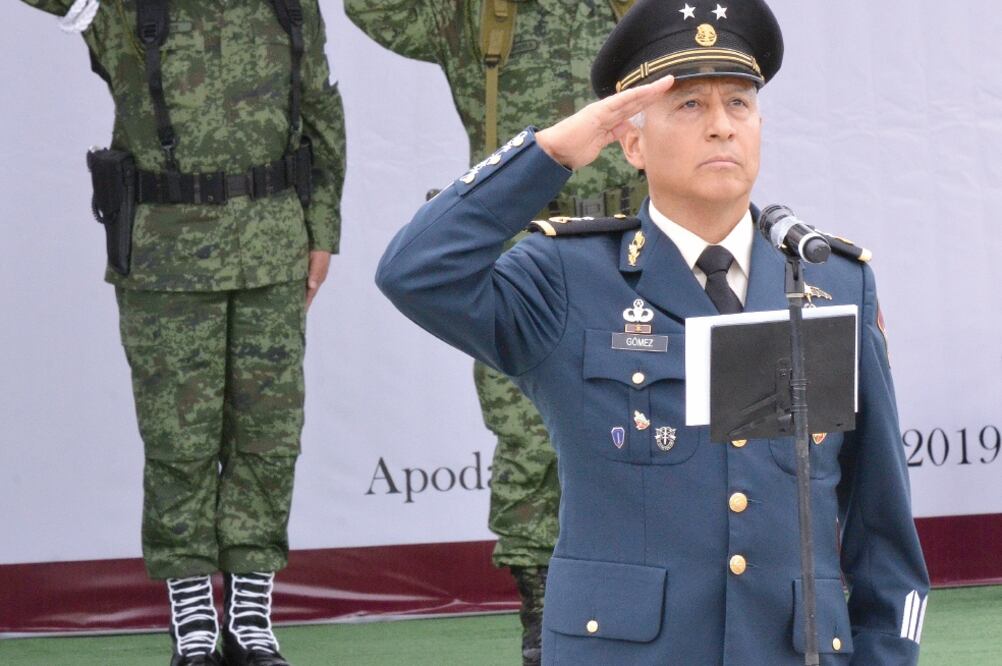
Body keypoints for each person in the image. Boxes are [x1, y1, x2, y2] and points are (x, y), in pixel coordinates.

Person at [375, 0, 930, 663]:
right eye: (689, 105)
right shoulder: (566, 277)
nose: (721, 125)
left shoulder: (829, 280)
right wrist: (550, 153)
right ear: (632, 143)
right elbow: (415, 271)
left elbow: (880, 524)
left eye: (739, 103)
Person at [17, 1, 345, 664]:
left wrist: (323, 230)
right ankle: (192, 615)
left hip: (272, 246)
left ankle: (251, 615)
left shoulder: (288, 5)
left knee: (268, 437)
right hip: (166, 253)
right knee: (178, 441)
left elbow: (319, 109)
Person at [344, 2, 643, 660]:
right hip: (524, 254)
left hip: (633, 251)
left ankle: (639, 611)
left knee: (647, 427)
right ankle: (543, 615)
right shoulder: (478, 13)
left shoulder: (637, 11)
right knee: (528, 439)